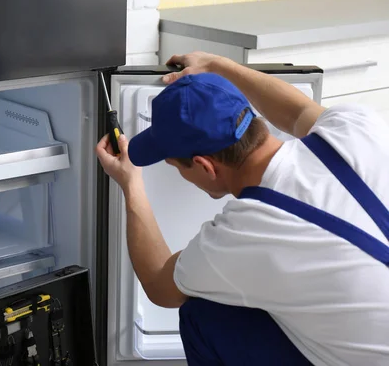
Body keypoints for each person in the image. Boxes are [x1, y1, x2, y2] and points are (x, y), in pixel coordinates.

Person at [95, 51, 389, 366]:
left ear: (204, 166)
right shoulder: (356, 128)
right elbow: (298, 110)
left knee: (204, 316)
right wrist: (220, 66)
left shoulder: (246, 232)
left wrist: (130, 184)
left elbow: (158, 284)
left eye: (174, 165)